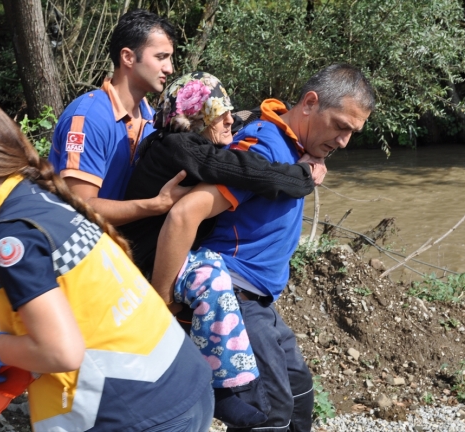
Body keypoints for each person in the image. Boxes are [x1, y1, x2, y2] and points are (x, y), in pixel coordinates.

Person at [0, 95, 214, 432]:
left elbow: (61, 352)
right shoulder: (40, 196)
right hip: (183, 385)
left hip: (135, 412)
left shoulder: (11, 237)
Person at [151, 64, 375, 431]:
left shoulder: (293, 147)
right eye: (340, 126)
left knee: (299, 393)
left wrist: (310, 160)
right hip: (233, 296)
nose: (344, 141)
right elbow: (184, 214)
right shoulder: (264, 146)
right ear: (310, 103)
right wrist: (162, 304)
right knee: (267, 412)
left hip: (260, 300)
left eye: (353, 132)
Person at [119, 71, 325, 428]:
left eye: (230, 111)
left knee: (298, 388)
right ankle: (225, 392)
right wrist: (303, 175)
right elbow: (249, 170)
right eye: (219, 113)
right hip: (152, 261)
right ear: (194, 119)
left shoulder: (181, 142)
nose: (231, 120)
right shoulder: (179, 148)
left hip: (166, 255)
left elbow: (244, 134)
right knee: (214, 277)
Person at [50, 9, 189, 226]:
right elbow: (80, 205)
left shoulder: (153, 120)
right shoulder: (89, 118)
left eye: (169, 58)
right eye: (161, 57)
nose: (170, 69)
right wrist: (154, 205)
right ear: (128, 57)